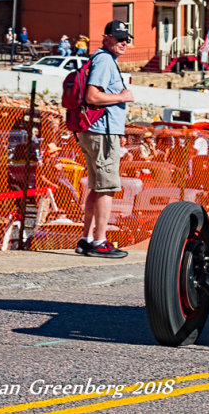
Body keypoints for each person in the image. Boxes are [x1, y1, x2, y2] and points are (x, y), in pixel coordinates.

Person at [75, 20, 134, 258]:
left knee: (96, 187)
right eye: (119, 38)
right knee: (107, 188)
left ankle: (87, 238)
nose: (124, 43)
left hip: (96, 131)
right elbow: (92, 96)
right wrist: (122, 96)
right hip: (103, 133)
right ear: (106, 38)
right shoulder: (104, 61)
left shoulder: (103, 59)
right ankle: (100, 241)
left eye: (126, 39)